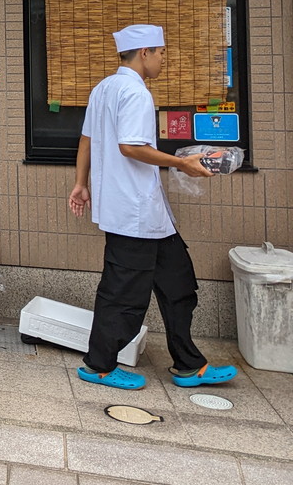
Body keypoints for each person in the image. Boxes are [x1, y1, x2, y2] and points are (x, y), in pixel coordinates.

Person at [68, 24, 237, 390]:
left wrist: (81, 184)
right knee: (123, 294)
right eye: (161, 53)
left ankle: (189, 364)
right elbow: (130, 146)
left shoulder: (104, 88)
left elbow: (86, 140)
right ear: (144, 53)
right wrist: (182, 163)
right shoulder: (135, 92)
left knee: (178, 285)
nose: (164, 59)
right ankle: (99, 366)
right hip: (133, 213)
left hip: (149, 213)